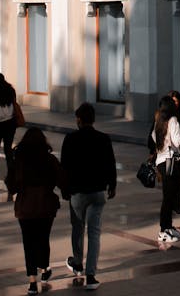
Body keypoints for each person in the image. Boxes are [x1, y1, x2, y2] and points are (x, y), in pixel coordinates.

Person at [60, 102, 116, 291]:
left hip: (77, 192)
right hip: (98, 191)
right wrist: (112, 185)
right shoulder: (103, 138)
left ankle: (77, 263)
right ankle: (91, 275)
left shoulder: (70, 139)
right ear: (93, 119)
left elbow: (64, 167)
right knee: (94, 232)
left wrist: (64, 189)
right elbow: (110, 163)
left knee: (78, 227)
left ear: (79, 120)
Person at [5, 128, 66, 295]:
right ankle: (44, 267)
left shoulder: (19, 160)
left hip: (25, 206)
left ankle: (32, 281)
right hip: (46, 204)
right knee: (43, 238)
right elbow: (62, 180)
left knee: (28, 242)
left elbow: (12, 185)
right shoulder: (50, 159)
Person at [151, 95, 180, 243]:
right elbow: (177, 141)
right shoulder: (173, 121)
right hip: (170, 162)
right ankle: (163, 231)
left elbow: (153, 137)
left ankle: (169, 227)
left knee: (169, 196)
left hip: (161, 161)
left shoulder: (159, 121)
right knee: (168, 198)